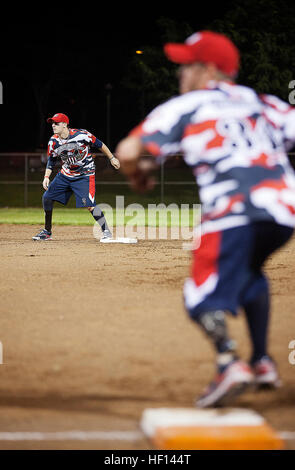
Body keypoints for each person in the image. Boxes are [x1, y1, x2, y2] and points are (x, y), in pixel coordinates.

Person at [115, 31, 295, 407]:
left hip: (233, 215)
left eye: (187, 65)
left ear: (209, 69)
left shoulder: (188, 106)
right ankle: (262, 361)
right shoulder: (263, 102)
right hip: (283, 212)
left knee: (199, 297)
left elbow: (128, 150)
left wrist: (137, 173)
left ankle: (229, 363)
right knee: (249, 273)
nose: (181, 74)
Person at [32, 113, 120, 241]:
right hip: (65, 174)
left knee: (89, 205)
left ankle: (106, 231)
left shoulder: (82, 135)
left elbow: (100, 144)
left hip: (85, 174)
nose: (53, 125)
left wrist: (112, 158)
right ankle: (47, 232)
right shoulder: (53, 141)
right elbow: (52, 159)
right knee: (47, 197)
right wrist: (46, 176)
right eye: (52, 123)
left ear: (64, 124)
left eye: (56, 123)